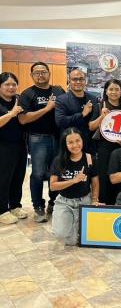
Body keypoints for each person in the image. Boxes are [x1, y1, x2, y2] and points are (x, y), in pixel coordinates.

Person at [19, 62, 65, 222]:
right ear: (31, 75)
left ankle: (54, 203)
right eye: (37, 72)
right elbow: (23, 119)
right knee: (38, 174)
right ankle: (38, 206)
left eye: (43, 72)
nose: (40, 75)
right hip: (38, 139)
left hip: (58, 138)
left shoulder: (58, 91)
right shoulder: (27, 94)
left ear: (49, 73)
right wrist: (46, 108)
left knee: (57, 172)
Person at [50, 128, 99, 245]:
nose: (75, 145)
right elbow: (53, 186)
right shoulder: (58, 160)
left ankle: (74, 227)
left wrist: (94, 200)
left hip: (84, 200)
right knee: (61, 235)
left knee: (77, 240)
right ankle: (66, 222)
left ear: (82, 140)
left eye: (78, 141)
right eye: (70, 142)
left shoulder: (90, 159)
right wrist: (73, 180)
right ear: (65, 144)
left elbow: (95, 182)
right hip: (64, 201)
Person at [89, 79, 121, 205]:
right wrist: (102, 116)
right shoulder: (99, 106)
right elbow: (91, 127)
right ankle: (104, 205)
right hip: (104, 148)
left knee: (120, 176)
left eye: (117, 89)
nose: (114, 92)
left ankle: (119, 204)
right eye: (111, 89)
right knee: (104, 177)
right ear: (106, 91)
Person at [0, 72, 27, 225]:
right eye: (7, 84)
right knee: (4, 178)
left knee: (18, 176)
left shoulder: (19, 99)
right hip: (3, 145)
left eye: (14, 84)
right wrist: (11, 114)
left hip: (20, 144)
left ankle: (15, 206)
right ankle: (2, 210)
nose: (11, 87)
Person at [55, 68, 97, 152]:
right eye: (74, 79)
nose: (78, 82)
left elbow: (94, 122)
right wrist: (82, 114)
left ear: (85, 81)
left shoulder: (93, 99)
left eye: (81, 79)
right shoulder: (62, 99)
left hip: (89, 144)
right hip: (70, 144)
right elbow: (60, 121)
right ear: (69, 81)